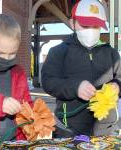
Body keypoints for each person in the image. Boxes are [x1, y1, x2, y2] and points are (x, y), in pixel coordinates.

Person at [41, 0, 121, 137]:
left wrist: (117, 85)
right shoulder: (59, 52)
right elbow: (48, 81)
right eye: (85, 25)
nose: (91, 30)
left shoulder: (111, 53)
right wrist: (75, 87)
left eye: (96, 26)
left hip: (106, 128)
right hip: (68, 128)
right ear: (72, 23)